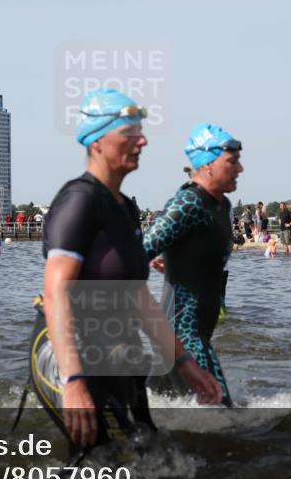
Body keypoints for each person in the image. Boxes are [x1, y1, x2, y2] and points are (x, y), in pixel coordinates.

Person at [28, 89, 222, 458]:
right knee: (101, 459)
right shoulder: (79, 202)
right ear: (98, 141)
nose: (142, 140)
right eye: (130, 133)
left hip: (114, 346)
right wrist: (72, 381)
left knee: (147, 451)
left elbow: (138, 299)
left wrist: (184, 363)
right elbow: (56, 293)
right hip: (66, 350)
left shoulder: (126, 211)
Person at [143, 123, 243, 407]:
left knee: (149, 410)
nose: (240, 168)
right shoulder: (189, 203)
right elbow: (138, 252)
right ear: (208, 164)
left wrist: (176, 256)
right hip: (183, 338)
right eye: (232, 162)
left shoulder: (221, 205)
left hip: (196, 334)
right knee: (225, 416)